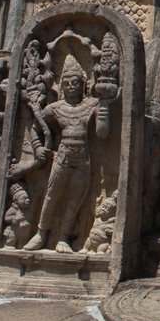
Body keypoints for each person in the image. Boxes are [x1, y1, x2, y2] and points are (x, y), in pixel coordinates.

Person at [23, 54, 113, 253]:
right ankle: (41, 233)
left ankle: (64, 237)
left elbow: (102, 133)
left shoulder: (91, 105)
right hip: (62, 156)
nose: (71, 86)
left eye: (75, 82)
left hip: (83, 158)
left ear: (83, 84)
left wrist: (104, 108)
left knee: (75, 200)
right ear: (61, 86)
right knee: (51, 196)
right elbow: (36, 128)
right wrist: (38, 148)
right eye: (66, 83)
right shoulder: (55, 109)